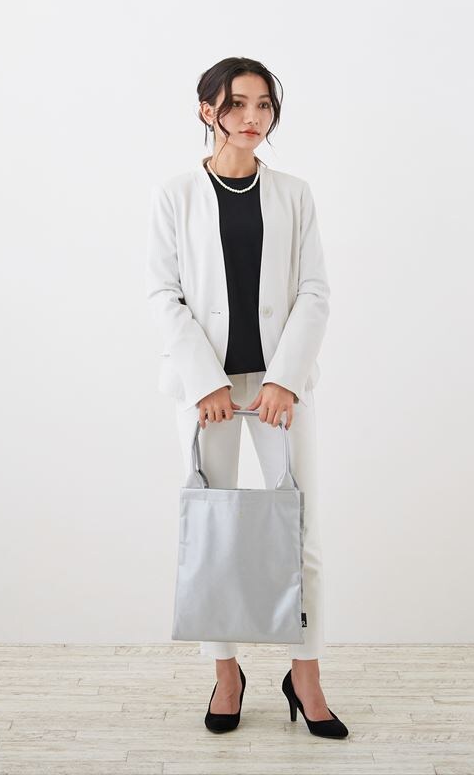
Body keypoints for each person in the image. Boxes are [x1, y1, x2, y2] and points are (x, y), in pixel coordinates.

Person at [145, 57, 347, 739]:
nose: (252, 117)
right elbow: (162, 294)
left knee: (301, 529)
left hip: (279, 387)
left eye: (263, 104)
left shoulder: (295, 194)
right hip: (206, 389)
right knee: (215, 533)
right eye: (236, 104)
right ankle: (225, 672)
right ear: (208, 110)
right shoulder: (175, 195)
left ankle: (306, 674)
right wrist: (204, 379)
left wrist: (285, 376)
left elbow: (315, 290)